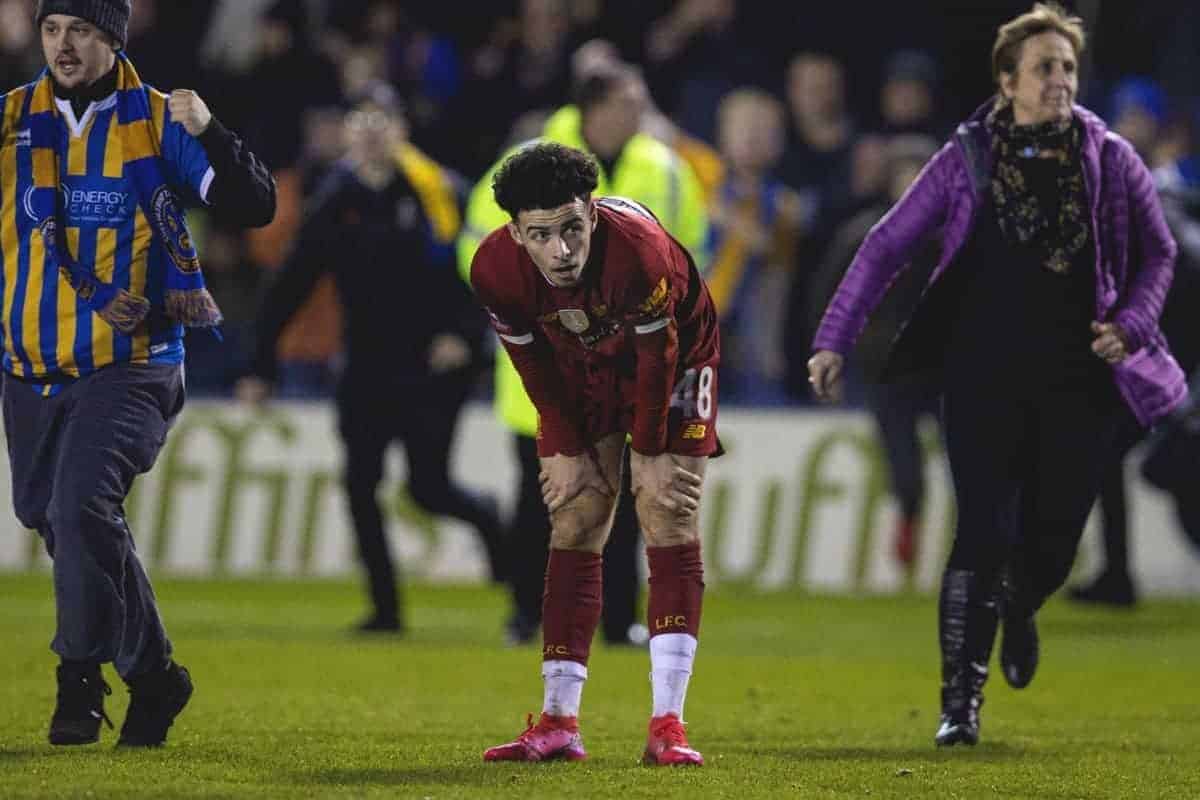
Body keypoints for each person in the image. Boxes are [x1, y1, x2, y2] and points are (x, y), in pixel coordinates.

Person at [808, 3, 1186, 747]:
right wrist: (834, 339)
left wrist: (1134, 326)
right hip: (980, 374)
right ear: (1008, 80)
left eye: (1069, 68)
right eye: (1045, 68)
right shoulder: (965, 158)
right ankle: (960, 703)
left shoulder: (1110, 157)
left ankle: (1019, 605)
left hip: (1080, 380)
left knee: (1051, 540)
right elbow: (885, 248)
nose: (1061, 81)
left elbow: (1160, 253)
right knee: (980, 532)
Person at [2, 0, 276, 746]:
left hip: (132, 366)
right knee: (60, 522)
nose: (63, 44)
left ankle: (78, 681)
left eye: (82, 30)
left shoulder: (157, 122)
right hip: (28, 367)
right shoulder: (10, 119)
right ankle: (156, 677)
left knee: (82, 506)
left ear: (114, 39)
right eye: (52, 28)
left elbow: (256, 205)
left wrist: (213, 130)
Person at [470, 142, 719, 766]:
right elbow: (533, 366)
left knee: (665, 506)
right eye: (542, 235)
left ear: (592, 212)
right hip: (581, 361)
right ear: (515, 233)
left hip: (676, 355)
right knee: (577, 513)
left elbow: (657, 362)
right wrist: (569, 448)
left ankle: (668, 724)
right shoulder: (494, 271)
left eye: (573, 228)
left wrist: (651, 450)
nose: (561, 250)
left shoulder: (637, 253)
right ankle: (558, 721)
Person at [457, 58, 709, 647]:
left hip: (630, 357)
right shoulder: (529, 162)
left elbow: (691, 253)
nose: (639, 114)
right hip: (546, 357)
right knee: (538, 496)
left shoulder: (666, 169)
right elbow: (477, 244)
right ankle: (526, 612)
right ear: (594, 108)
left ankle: (618, 617)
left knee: (619, 490)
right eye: (628, 102)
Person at [235, 84, 505, 633]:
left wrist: (465, 335)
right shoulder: (336, 199)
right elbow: (291, 281)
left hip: (434, 366)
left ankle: (496, 529)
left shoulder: (438, 190)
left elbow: (488, 270)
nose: (372, 129)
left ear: (402, 130)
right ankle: (386, 609)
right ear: (350, 132)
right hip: (365, 364)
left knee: (427, 488)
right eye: (362, 119)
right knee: (360, 483)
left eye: (383, 119)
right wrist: (260, 363)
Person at [807, 135, 942, 568]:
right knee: (901, 451)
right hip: (887, 364)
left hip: (944, 363)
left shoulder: (957, 235)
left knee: (971, 453)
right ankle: (910, 520)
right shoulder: (865, 236)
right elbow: (831, 297)